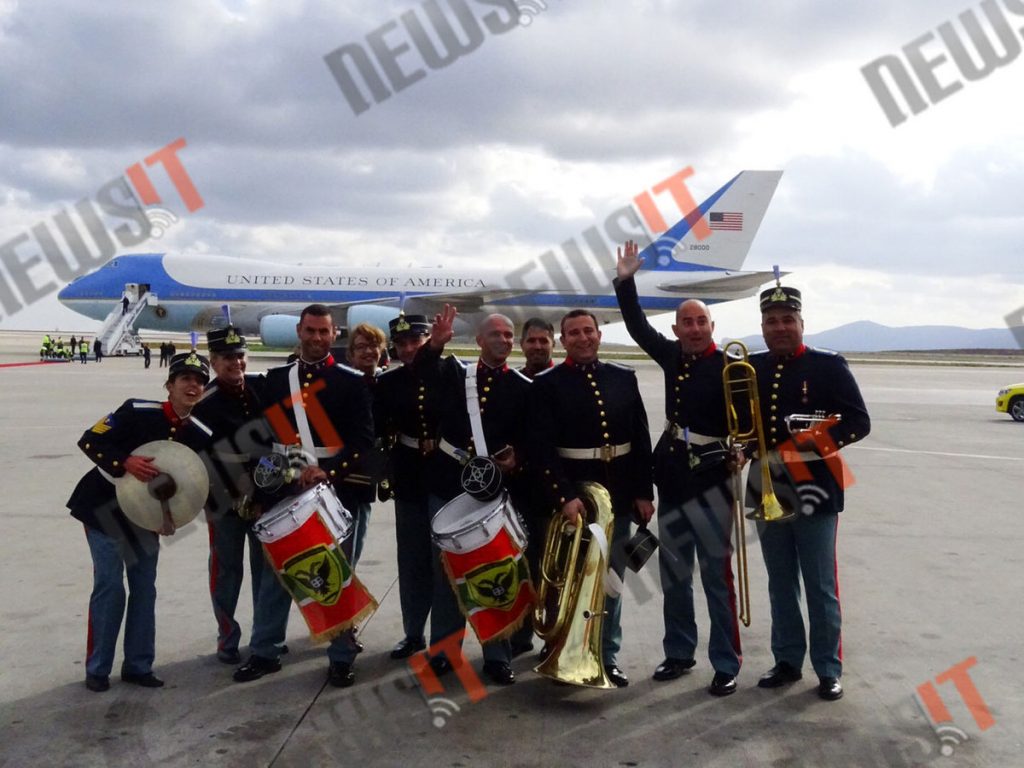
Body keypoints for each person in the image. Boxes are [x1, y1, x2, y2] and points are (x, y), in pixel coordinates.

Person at [614, 239, 741, 696]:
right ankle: (680, 653)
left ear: (712, 325)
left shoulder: (730, 367)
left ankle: (725, 661)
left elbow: (747, 426)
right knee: (674, 575)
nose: (693, 328)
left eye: (700, 321)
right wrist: (626, 281)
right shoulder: (672, 357)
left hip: (712, 480)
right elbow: (636, 327)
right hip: (673, 477)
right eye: (686, 322)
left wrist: (741, 450)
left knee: (715, 577)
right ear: (677, 326)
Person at [234, 304, 374, 688]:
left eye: (323, 332)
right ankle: (265, 651)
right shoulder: (277, 380)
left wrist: (328, 471)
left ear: (334, 335)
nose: (316, 338)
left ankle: (341, 656)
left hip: (335, 489)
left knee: (336, 576)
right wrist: (270, 481)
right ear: (299, 330)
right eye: (310, 331)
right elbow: (262, 438)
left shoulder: (350, 381)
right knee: (274, 576)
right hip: (284, 486)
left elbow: (363, 441)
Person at [746, 284, 870, 701]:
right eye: (771, 321)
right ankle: (786, 661)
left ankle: (828, 668)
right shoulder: (753, 367)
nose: (779, 327)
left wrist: (803, 445)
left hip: (816, 488)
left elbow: (858, 422)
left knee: (820, 585)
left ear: (801, 323)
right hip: (767, 487)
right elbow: (749, 426)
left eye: (787, 320)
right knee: (780, 583)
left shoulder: (828, 365)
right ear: (762, 326)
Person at [66, 351, 212, 692]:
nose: (193, 386)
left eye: (200, 381)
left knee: (145, 589)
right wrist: (125, 462)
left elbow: (190, 482)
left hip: (146, 520)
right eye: (186, 379)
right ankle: (98, 668)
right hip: (103, 510)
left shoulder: (201, 434)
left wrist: (173, 518)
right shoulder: (135, 411)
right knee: (110, 587)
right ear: (169, 385)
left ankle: (138, 665)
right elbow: (90, 439)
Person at [529, 309, 654, 687]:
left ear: (599, 335)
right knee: (566, 581)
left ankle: (606, 655)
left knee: (610, 581)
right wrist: (564, 496)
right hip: (575, 499)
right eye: (574, 333)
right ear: (563, 341)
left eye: (588, 331)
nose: (583, 338)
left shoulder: (623, 377)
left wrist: (644, 492)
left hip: (617, 496)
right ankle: (559, 650)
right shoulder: (547, 384)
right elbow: (541, 448)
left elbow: (641, 438)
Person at [413, 306, 531, 686]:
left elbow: (535, 436)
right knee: (446, 574)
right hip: (449, 485)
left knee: (497, 573)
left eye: (509, 336)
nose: (504, 340)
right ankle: (445, 652)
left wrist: (520, 458)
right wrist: (434, 345)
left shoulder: (522, 387)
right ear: (479, 340)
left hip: (495, 493)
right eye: (496, 334)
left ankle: (498, 655)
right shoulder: (453, 374)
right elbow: (421, 373)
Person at [192, 326, 268, 665]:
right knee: (226, 572)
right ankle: (227, 638)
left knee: (265, 571)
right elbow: (193, 459)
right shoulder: (202, 404)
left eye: (240, 356)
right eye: (227, 358)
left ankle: (263, 634)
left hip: (265, 498)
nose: (235, 362)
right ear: (213, 361)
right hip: (224, 501)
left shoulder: (259, 392)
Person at [373, 313, 439, 660]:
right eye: (402, 343)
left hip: (446, 473)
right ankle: (413, 632)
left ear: (430, 339)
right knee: (412, 560)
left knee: (443, 562)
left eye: (417, 340)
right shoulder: (390, 382)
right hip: (409, 473)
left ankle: (446, 637)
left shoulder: (453, 372)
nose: (410, 348)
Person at [343, 322, 389, 564]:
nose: (368, 351)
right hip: (343, 473)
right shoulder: (341, 384)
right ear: (350, 354)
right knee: (344, 545)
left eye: (374, 346)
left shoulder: (386, 384)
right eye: (361, 347)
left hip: (369, 474)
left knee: (358, 541)